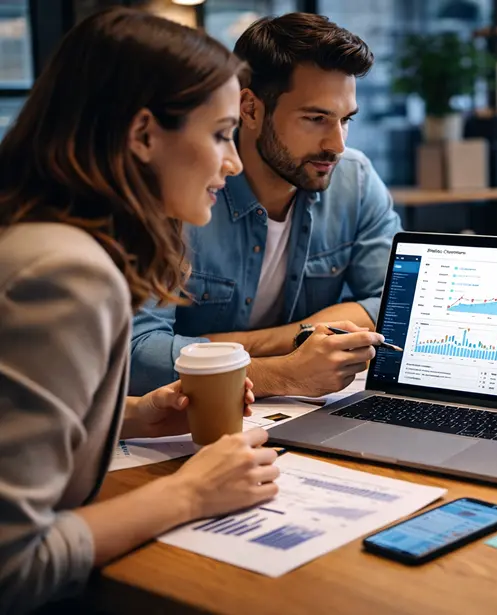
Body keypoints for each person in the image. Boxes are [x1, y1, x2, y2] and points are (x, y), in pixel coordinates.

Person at [0, 10, 280, 612]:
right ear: (145, 134)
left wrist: (128, 415)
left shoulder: (36, 236)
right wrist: (192, 493)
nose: (232, 163)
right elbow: (12, 564)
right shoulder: (65, 272)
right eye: (220, 133)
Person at [130, 13, 398, 398]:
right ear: (250, 109)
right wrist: (286, 372)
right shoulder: (178, 188)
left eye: (345, 120)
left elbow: (392, 305)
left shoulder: (354, 179)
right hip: (185, 421)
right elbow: (138, 355)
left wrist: (242, 343)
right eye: (316, 118)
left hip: (299, 416)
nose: (337, 145)